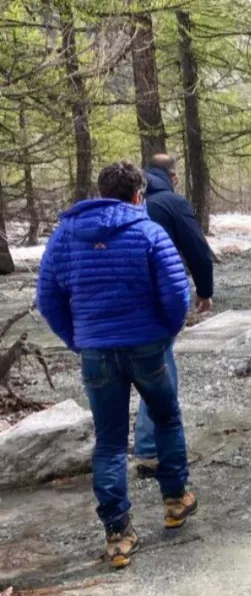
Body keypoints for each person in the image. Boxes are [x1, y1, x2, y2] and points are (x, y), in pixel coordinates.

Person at [37, 161, 198, 569]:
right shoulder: (148, 232)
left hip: (96, 351)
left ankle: (118, 535)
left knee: (109, 441)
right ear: (137, 195)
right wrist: (165, 333)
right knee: (166, 419)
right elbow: (178, 293)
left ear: (101, 191)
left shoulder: (65, 237)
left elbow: (49, 298)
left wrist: (76, 338)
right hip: (147, 346)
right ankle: (176, 501)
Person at [133, 154, 214, 478]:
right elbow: (196, 248)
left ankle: (142, 448)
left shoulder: (122, 203)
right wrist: (204, 291)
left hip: (108, 309)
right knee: (161, 372)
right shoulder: (171, 202)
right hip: (153, 303)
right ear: (173, 175)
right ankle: (154, 452)